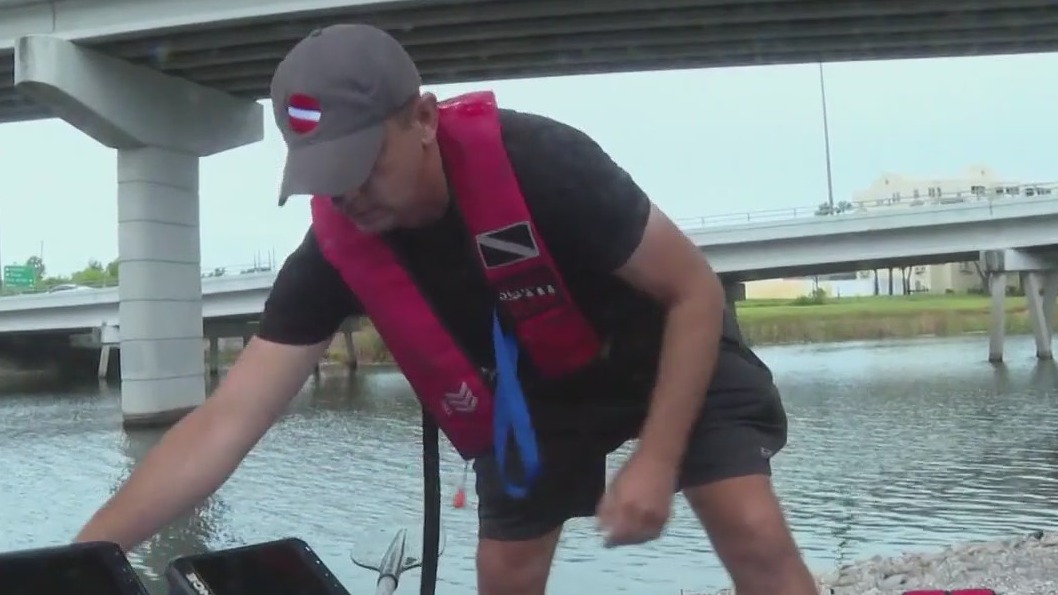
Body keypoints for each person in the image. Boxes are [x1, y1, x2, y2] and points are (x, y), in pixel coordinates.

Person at [74, 23, 818, 595]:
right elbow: (224, 420)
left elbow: (693, 289)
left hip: (662, 348)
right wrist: (81, 560)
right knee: (506, 572)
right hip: (534, 394)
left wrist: (656, 460)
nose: (350, 195)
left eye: (364, 164)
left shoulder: (546, 164)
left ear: (424, 119)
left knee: (749, 527)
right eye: (328, 179)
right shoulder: (337, 251)